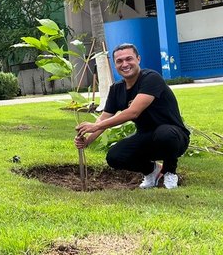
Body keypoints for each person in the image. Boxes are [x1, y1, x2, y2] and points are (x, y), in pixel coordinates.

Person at [74, 43, 190, 189]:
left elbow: (133, 112)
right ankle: (152, 171)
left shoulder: (151, 78)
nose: (125, 64)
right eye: (119, 61)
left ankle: (169, 172)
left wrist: (95, 126)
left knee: (164, 134)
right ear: (114, 64)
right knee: (114, 157)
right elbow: (104, 117)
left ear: (138, 59)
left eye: (129, 59)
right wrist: (87, 140)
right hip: (146, 137)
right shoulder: (116, 89)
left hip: (174, 137)